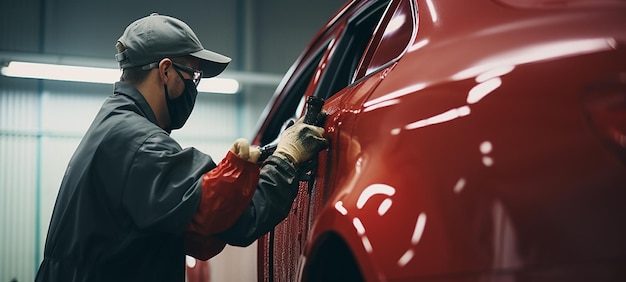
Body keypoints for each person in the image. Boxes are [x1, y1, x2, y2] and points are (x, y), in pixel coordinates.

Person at [35, 13, 327, 282]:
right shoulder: (142, 145)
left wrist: (240, 176)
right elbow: (238, 222)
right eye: (193, 75)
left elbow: (199, 236)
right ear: (165, 71)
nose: (194, 86)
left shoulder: (114, 127)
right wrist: (287, 158)